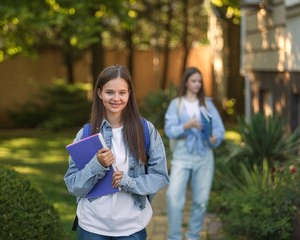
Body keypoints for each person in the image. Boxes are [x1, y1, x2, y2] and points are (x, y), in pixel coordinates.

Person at [64, 64, 170, 240]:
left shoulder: (146, 130)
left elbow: (160, 177)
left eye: (122, 92)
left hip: (131, 227)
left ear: (129, 94)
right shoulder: (85, 134)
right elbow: (73, 185)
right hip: (92, 226)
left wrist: (128, 182)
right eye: (109, 92)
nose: (116, 98)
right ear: (99, 93)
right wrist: (96, 165)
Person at [164, 67, 225, 240]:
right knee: (173, 196)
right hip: (182, 156)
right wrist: (187, 126)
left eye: (199, 81)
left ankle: (193, 236)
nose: (197, 84)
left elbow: (220, 129)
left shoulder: (208, 104)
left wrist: (215, 138)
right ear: (186, 82)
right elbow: (169, 130)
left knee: (201, 200)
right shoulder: (176, 104)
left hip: (204, 155)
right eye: (194, 81)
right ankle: (174, 236)